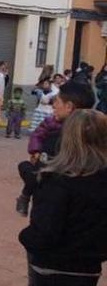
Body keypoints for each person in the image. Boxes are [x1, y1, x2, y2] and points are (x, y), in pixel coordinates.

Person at [19, 110, 107, 286]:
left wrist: (25, 237)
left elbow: (44, 233)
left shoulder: (59, 182)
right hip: (89, 269)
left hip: (54, 269)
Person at [16, 81, 96, 216]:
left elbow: (41, 179)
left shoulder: (56, 141)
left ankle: (24, 197)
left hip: (53, 218)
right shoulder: (97, 138)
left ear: (69, 106)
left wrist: (26, 169)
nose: (54, 105)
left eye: (57, 101)